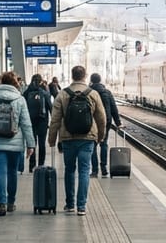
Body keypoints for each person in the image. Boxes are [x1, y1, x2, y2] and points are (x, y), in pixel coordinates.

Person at [47, 66, 106, 216]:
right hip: (88, 138)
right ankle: (81, 206)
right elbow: (101, 118)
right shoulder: (93, 94)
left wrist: (52, 139)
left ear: (72, 76)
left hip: (68, 137)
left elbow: (55, 120)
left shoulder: (63, 94)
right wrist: (101, 136)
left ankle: (70, 204)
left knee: (69, 170)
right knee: (84, 171)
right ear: (85, 76)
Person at [0, 71, 35, 216]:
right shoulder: (20, 99)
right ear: (15, 83)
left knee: (0, 173)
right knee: (12, 173)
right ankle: (11, 203)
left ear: (1, 82)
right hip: (15, 143)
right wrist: (31, 145)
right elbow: (26, 124)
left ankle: (1, 203)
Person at [88, 73, 122, 177]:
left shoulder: (89, 92)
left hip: (92, 122)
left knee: (93, 146)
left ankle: (94, 170)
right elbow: (113, 108)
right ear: (100, 80)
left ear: (91, 81)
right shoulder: (107, 92)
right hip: (106, 122)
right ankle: (104, 169)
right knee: (104, 144)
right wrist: (118, 123)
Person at [24, 73, 53, 170]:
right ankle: (41, 165)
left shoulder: (27, 92)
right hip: (42, 121)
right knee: (42, 143)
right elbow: (50, 107)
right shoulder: (44, 93)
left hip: (30, 121)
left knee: (32, 143)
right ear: (41, 81)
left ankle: (32, 165)